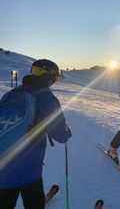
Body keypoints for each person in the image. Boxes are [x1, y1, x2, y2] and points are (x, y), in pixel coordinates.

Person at [0, 59, 71, 209]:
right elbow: (60, 136)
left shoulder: (11, 94)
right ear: (49, 76)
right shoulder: (47, 98)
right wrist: (66, 132)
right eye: (55, 78)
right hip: (29, 171)